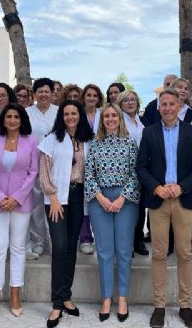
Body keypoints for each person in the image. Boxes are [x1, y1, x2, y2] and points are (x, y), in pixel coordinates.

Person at [135, 88, 192, 328]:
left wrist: (182, 187)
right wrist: (156, 187)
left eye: (171, 104)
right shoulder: (149, 132)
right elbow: (141, 167)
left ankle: (185, 306)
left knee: (185, 254)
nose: (167, 108)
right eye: (163, 104)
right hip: (159, 200)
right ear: (158, 107)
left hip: (183, 200)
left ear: (179, 106)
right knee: (159, 254)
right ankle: (159, 306)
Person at [38, 100, 94, 327]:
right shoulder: (51, 140)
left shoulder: (87, 140)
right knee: (59, 247)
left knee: (71, 247)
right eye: (66, 113)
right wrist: (52, 197)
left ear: (80, 115)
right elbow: (44, 172)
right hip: (57, 199)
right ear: (61, 116)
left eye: (74, 113)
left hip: (78, 195)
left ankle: (66, 296)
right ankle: (57, 303)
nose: (70, 117)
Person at [0, 103, 39, 322]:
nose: (13, 120)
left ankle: (16, 292)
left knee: (17, 247)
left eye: (16, 116)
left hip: (21, 203)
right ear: (3, 120)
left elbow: (33, 171)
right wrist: (0, 197)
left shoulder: (31, 141)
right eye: (9, 116)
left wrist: (16, 197)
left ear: (22, 119)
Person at [85, 103, 140, 322]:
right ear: (102, 120)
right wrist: (100, 198)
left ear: (120, 118)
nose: (110, 119)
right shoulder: (95, 144)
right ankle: (107, 297)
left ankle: (123, 297)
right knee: (105, 251)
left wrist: (120, 199)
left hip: (124, 200)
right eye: (106, 116)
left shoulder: (129, 143)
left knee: (124, 251)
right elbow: (88, 174)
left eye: (113, 115)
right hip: (100, 200)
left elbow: (136, 173)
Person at [26, 77, 59, 259]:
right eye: (40, 91)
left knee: (55, 203)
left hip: (56, 166)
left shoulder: (60, 112)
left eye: (47, 91)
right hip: (34, 164)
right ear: (35, 94)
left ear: (52, 93)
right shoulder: (27, 112)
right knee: (37, 204)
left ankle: (55, 240)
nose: (44, 94)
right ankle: (38, 240)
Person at [116, 89, 148, 255]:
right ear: (120, 104)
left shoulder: (141, 121)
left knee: (140, 207)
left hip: (141, 170)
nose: (130, 102)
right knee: (127, 209)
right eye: (126, 100)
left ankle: (138, 241)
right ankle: (125, 244)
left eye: (133, 100)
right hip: (124, 171)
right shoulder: (119, 121)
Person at [78, 83, 104, 255]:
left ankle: (101, 237)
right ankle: (85, 238)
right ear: (84, 97)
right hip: (81, 160)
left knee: (99, 200)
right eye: (89, 95)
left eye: (95, 95)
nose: (92, 98)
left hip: (102, 162)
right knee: (83, 202)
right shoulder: (78, 114)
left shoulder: (103, 115)